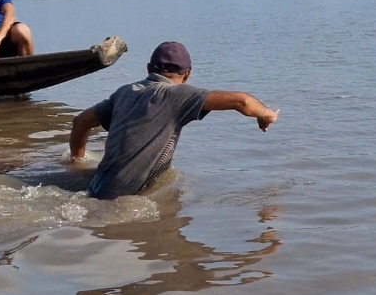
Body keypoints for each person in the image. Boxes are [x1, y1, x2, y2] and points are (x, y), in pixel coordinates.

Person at [69, 40, 279, 200]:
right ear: (187, 75)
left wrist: (77, 163)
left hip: (96, 186)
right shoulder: (177, 95)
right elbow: (242, 101)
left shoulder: (123, 92)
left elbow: (80, 122)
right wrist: (266, 115)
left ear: (149, 68)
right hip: (122, 197)